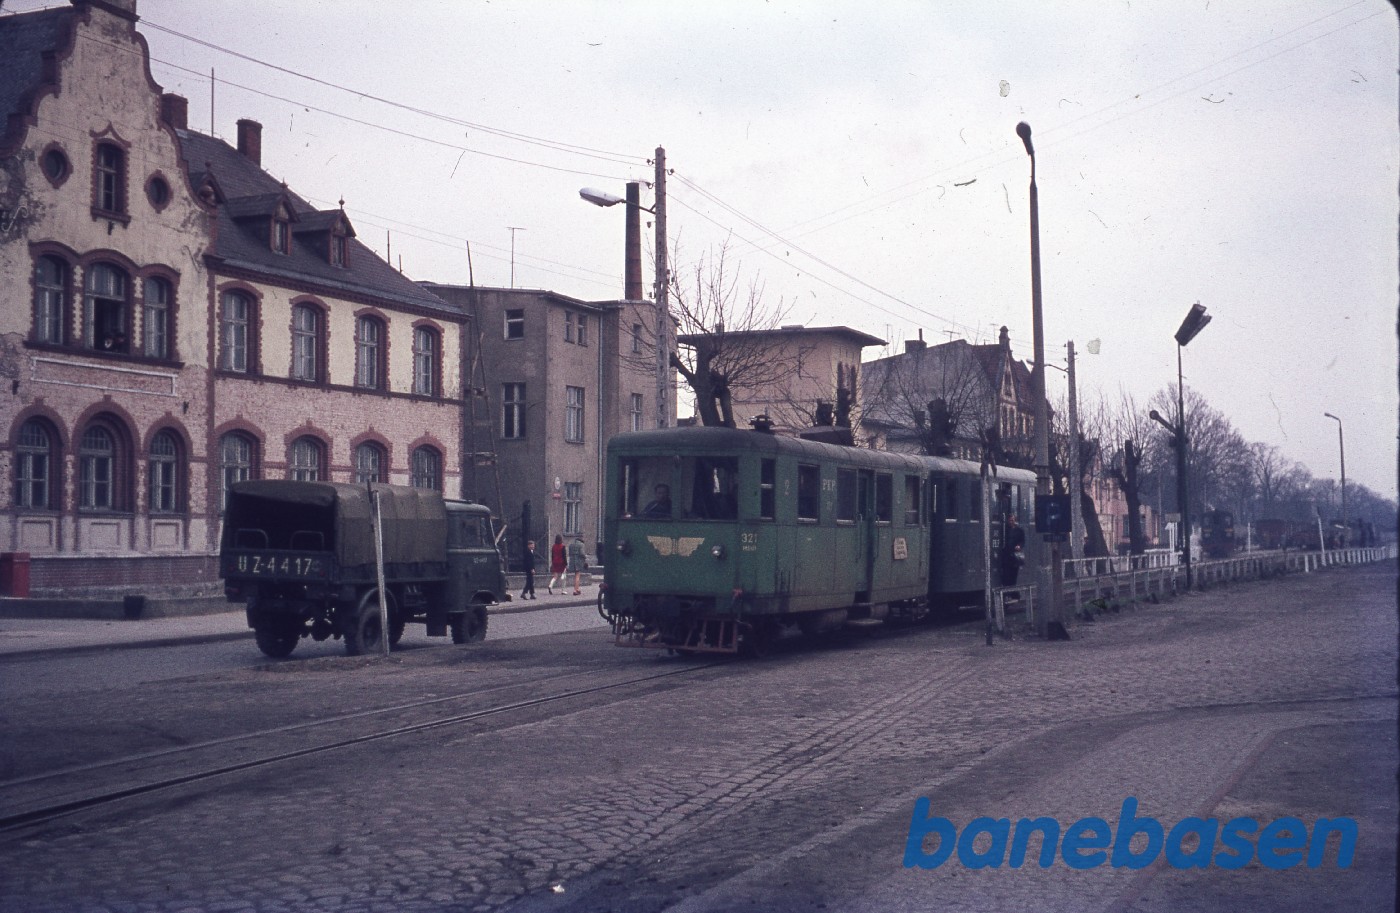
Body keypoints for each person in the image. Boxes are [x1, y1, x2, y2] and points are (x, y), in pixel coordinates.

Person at [1001, 514, 1026, 587]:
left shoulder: (1020, 530)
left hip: (1015, 555)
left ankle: (1013, 588)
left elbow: (1022, 541)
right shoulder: (1005, 530)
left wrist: (1019, 546)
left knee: (1014, 573)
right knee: (1006, 573)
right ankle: (1007, 588)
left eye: (1012, 520)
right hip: (1007, 554)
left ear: (1015, 521)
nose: (1011, 522)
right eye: (1009, 520)